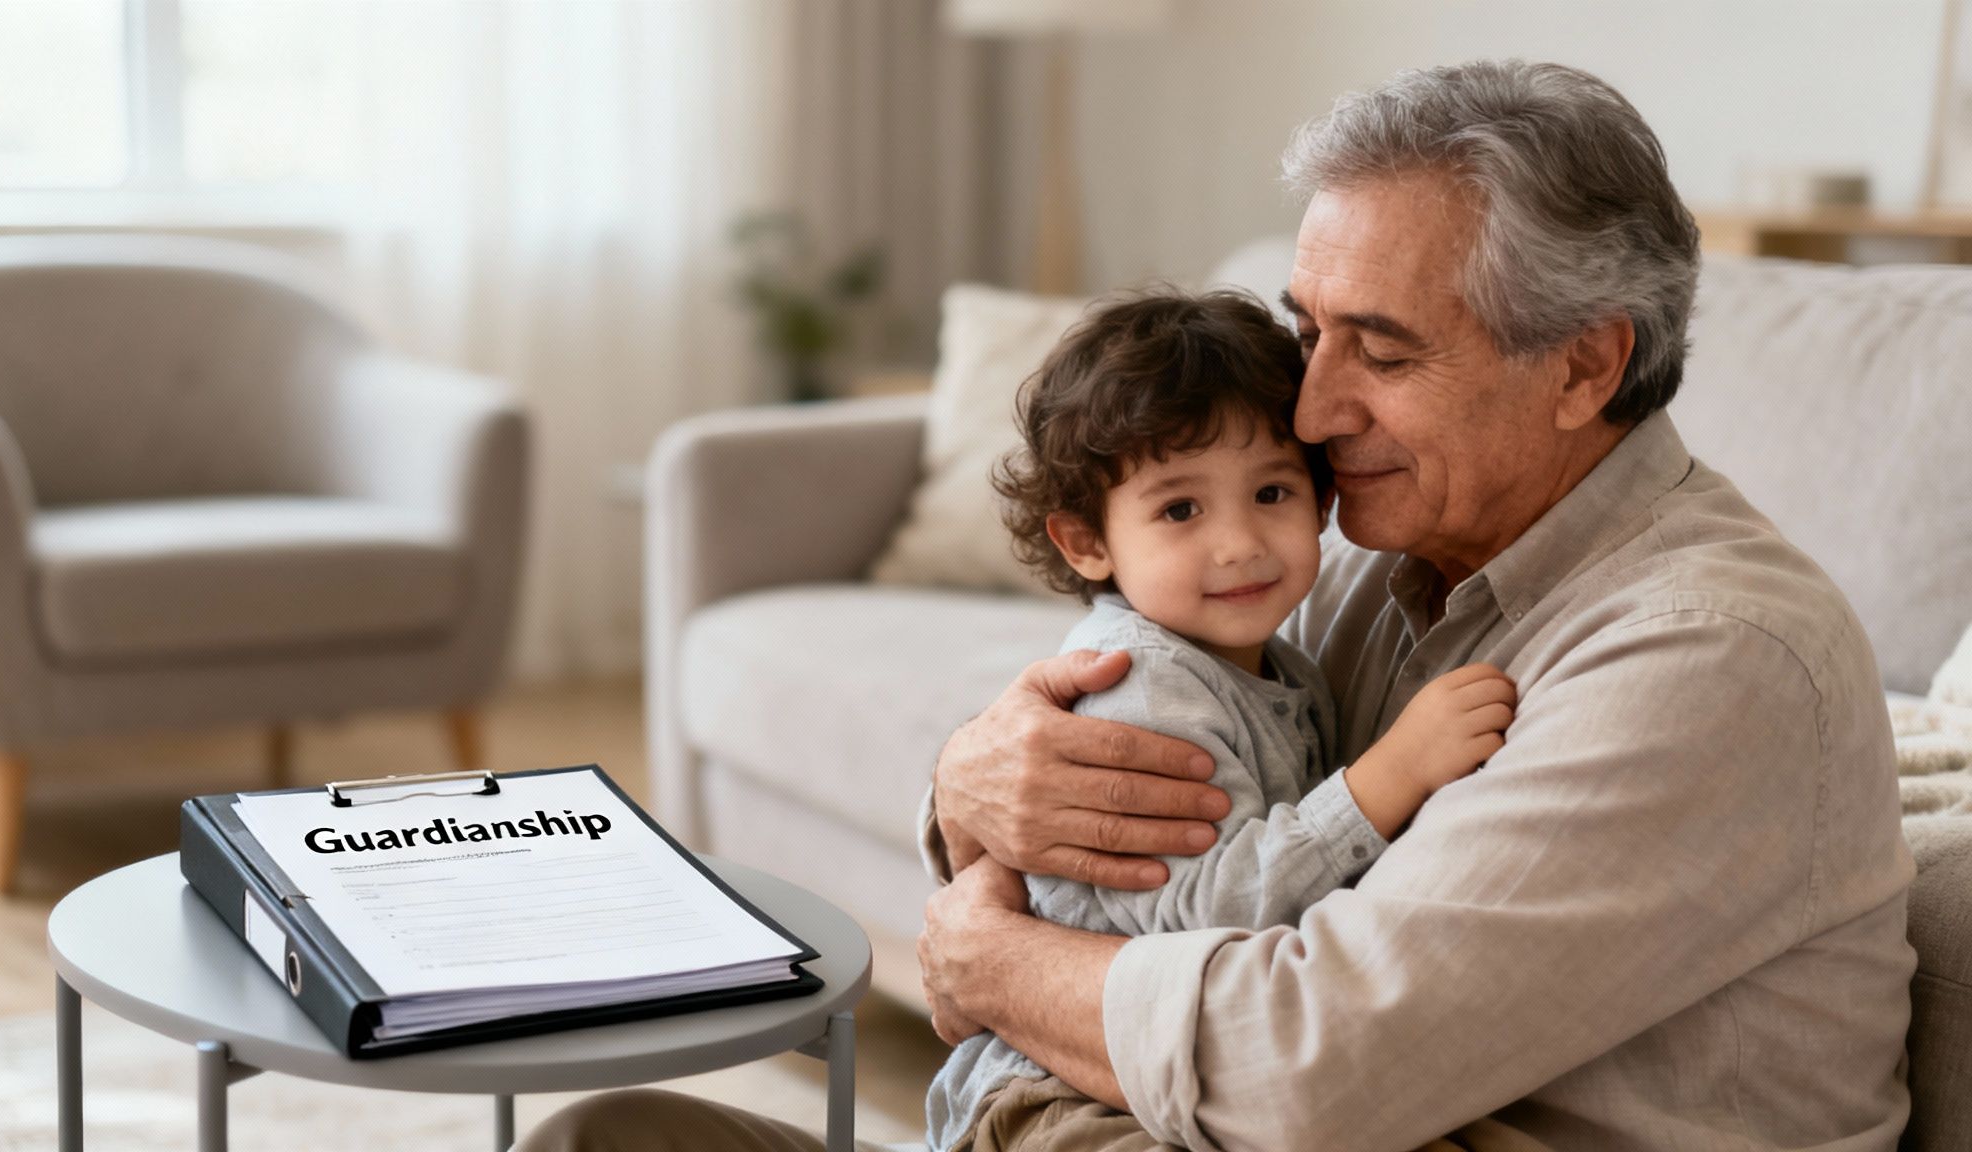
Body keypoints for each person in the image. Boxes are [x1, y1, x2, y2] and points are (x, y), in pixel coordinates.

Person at [520, 58, 1916, 1152]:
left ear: (1582, 367)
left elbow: (1307, 1070)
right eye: (1312, 331)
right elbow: (1178, 764)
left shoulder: (1709, 655)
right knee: (601, 1136)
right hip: (1178, 1122)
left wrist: (998, 967)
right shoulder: (1381, 544)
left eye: (1379, 350)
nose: (1310, 409)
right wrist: (970, 786)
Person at [929, 287, 1514, 1152]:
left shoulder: (1280, 664)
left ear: (1321, 502)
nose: (1239, 542)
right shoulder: (1146, 686)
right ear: (1087, 542)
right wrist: (1390, 776)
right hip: (1060, 1097)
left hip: (1170, 1083)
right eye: (1180, 509)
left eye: (1272, 492)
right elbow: (1197, 911)